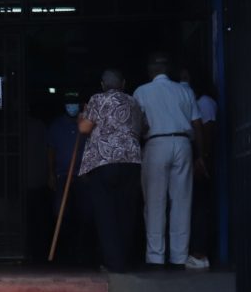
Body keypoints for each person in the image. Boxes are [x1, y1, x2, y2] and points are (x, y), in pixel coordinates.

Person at [133, 53, 203, 269]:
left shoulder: (141, 92)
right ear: (167, 70)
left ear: (150, 71)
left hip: (155, 144)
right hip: (182, 144)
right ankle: (179, 256)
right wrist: (200, 154)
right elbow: (197, 124)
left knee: (155, 202)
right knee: (182, 202)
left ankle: (155, 256)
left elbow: (138, 126)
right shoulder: (185, 91)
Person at [77, 69, 144, 272]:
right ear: (123, 84)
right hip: (131, 161)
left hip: (104, 162)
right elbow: (143, 129)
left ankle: (113, 263)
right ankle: (125, 259)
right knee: (127, 212)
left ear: (103, 84)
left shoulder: (97, 99)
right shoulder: (133, 102)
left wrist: (81, 116)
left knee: (106, 214)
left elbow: (84, 129)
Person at [46, 90, 93, 264]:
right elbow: (51, 150)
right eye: (68, 103)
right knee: (61, 214)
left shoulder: (86, 124)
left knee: (85, 214)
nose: (71, 107)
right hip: (63, 175)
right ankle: (64, 252)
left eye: (74, 103)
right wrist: (51, 173)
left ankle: (82, 251)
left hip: (82, 175)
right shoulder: (57, 125)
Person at [179, 67, 217, 269]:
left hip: (201, 162)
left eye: (187, 78)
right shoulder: (194, 102)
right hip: (195, 159)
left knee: (200, 207)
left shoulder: (205, 103)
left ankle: (199, 253)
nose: (183, 83)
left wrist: (203, 159)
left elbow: (207, 132)